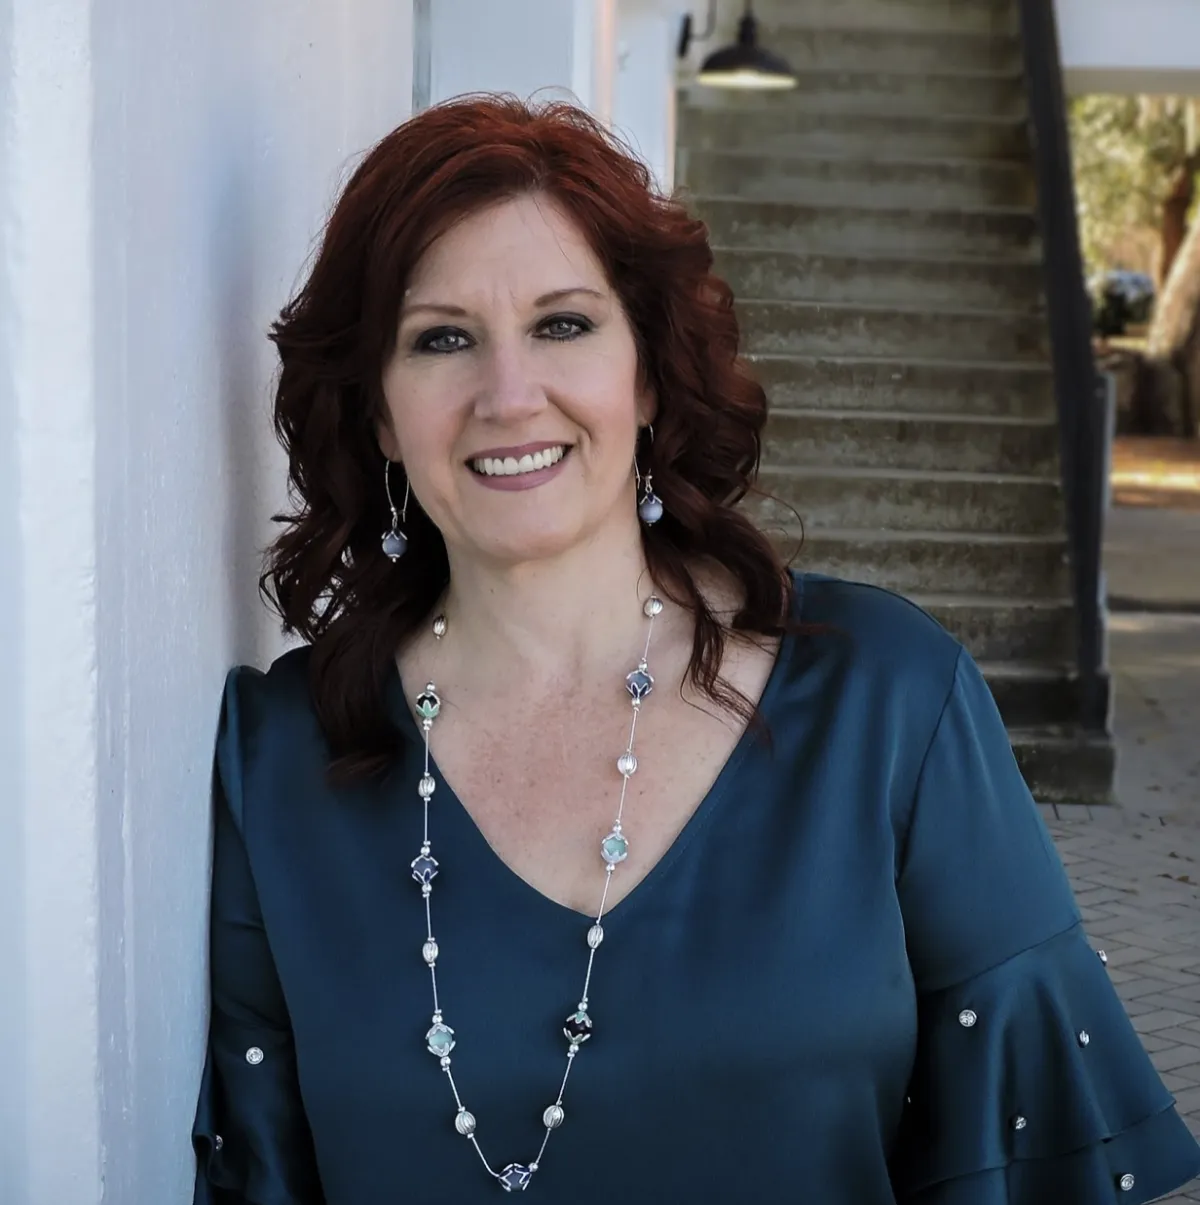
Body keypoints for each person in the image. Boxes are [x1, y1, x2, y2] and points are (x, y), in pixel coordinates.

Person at [191, 94, 1200, 1204]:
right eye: (442, 338)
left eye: (563, 325)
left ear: (649, 373)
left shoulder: (888, 702)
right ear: (380, 411)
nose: (509, 396)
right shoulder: (278, 762)